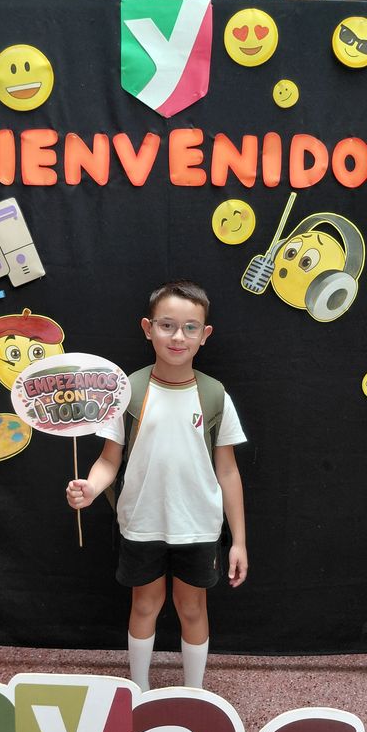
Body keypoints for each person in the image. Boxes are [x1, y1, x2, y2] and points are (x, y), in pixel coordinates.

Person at [66, 280, 248, 690]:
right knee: (144, 605)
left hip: (198, 527)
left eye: (190, 327)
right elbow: (109, 460)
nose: (178, 337)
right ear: (148, 328)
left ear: (205, 334)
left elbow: (228, 471)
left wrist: (238, 540)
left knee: (193, 609)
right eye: (167, 325)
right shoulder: (126, 391)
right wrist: (90, 488)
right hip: (142, 523)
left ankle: (195, 693)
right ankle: (140, 690)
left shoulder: (214, 395)